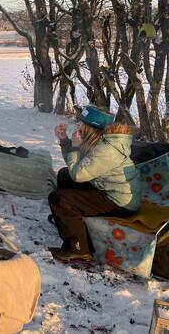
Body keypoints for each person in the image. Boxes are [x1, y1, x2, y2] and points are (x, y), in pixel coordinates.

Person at [49, 106, 142, 262]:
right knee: (65, 175)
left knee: (59, 199)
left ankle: (78, 249)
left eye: (82, 124)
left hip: (120, 202)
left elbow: (78, 175)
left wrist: (74, 147)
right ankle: (68, 221)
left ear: (91, 128)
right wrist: (65, 141)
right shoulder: (100, 141)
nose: (79, 127)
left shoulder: (107, 150)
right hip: (106, 189)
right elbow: (75, 168)